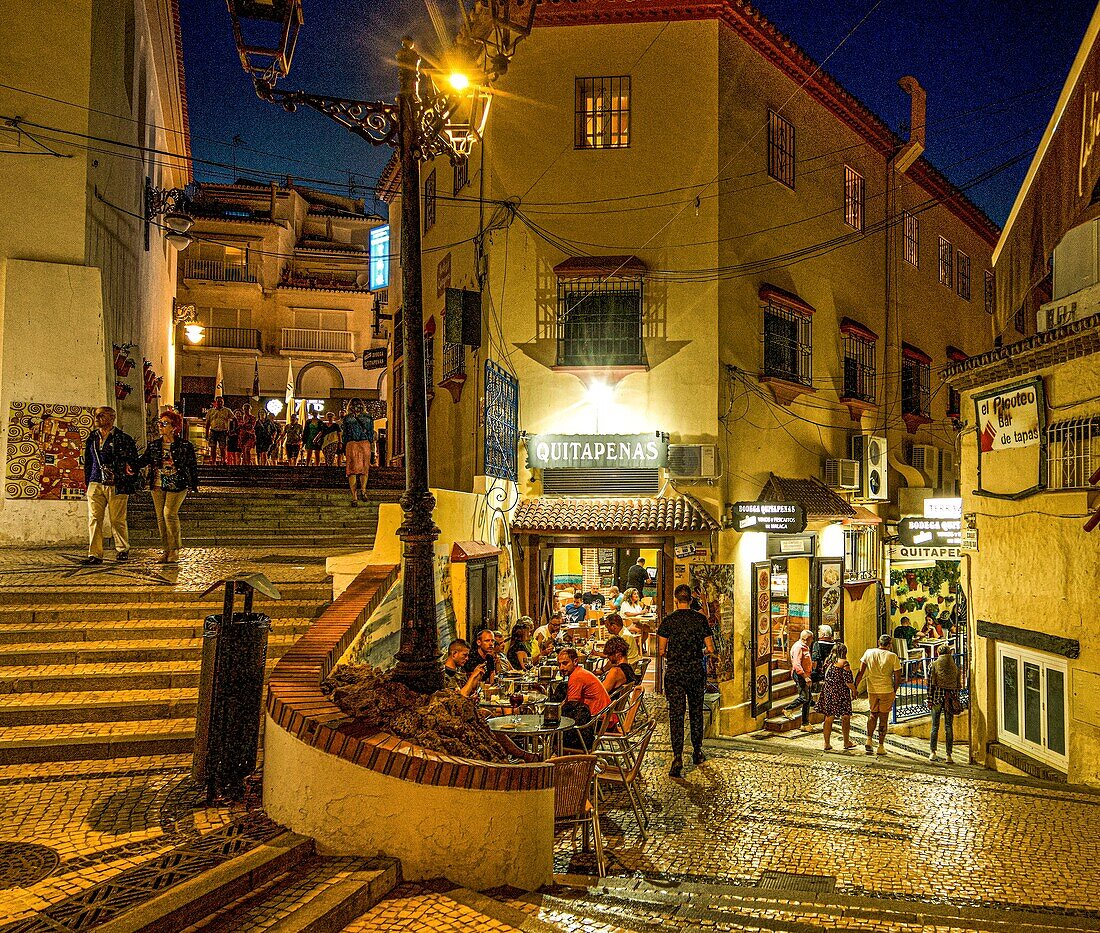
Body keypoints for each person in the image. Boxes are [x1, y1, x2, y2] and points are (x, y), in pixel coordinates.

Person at [658, 583, 715, 777]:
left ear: (676, 600)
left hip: (675, 672)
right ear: (690, 599)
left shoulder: (668, 621)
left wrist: (674, 654)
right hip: (695, 670)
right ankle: (697, 751)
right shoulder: (700, 620)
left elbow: (661, 650)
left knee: (676, 714)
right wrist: (698, 651)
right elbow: (710, 648)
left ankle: (677, 757)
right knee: (696, 711)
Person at [137, 410, 199, 564]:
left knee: (169, 514)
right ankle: (166, 550)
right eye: (160, 423)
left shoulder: (185, 446)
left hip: (177, 484)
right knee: (160, 518)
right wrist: (130, 465)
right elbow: (144, 460)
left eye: (165, 423)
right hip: (157, 484)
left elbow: (192, 466)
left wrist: (194, 484)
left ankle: (174, 549)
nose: (161, 426)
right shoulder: (154, 445)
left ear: (174, 427)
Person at [82, 406, 139, 564]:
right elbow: (88, 460)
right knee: (94, 519)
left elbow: (133, 462)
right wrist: (88, 481)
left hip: (116, 484)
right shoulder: (93, 437)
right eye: (96, 415)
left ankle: (122, 548)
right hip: (95, 482)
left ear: (112, 418)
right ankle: (94, 553)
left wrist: (123, 476)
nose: (97, 418)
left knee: (117, 519)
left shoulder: (123, 438)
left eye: (101, 415)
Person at [854, 633, 903, 756]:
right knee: (884, 718)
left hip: (872, 690)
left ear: (878, 642)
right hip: (886, 690)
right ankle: (880, 746)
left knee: (872, 714)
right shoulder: (893, 656)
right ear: (890, 645)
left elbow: (860, 672)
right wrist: (894, 690)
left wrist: (855, 687)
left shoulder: (869, 653)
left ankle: (869, 740)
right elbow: (898, 676)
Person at [816, 642, 857, 752]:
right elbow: (848, 681)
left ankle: (826, 743)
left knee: (829, 717)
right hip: (840, 693)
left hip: (828, 691)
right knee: (845, 717)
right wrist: (854, 690)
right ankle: (846, 742)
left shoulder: (828, 661)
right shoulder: (844, 663)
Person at [558, 646, 612, 729]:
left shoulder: (576, 677)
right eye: (559, 664)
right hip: (605, 716)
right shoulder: (579, 672)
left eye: (565, 663)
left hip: (597, 720)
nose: (561, 668)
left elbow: (571, 706)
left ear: (575, 661)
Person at [927, 643, 962, 763]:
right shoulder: (955, 667)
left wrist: (929, 699)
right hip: (950, 699)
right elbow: (958, 685)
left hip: (937, 698)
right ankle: (949, 755)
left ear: (938, 653)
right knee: (948, 726)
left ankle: (933, 752)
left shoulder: (934, 665)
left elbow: (930, 684)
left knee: (935, 726)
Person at [342, 399, 375, 506]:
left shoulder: (347, 418)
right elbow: (371, 433)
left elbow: (345, 434)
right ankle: (363, 491)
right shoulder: (368, 417)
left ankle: (354, 497)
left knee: (352, 471)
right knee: (364, 470)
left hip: (351, 443)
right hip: (364, 443)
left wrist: (344, 445)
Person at [783, 629, 815, 731]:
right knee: (804, 697)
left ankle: (805, 724)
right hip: (801, 675)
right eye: (811, 639)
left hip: (806, 674)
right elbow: (796, 664)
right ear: (806, 639)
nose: (812, 640)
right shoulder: (799, 647)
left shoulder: (805, 646)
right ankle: (788, 709)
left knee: (808, 699)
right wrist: (805, 677)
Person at [204, 398, 232, 465]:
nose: (220, 403)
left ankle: (223, 461)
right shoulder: (211, 411)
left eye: (221, 401)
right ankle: (213, 461)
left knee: (223, 447)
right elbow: (207, 423)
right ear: (215, 402)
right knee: (213, 447)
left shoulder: (227, 410)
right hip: (213, 430)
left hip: (223, 431)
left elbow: (233, 420)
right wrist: (206, 433)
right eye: (218, 401)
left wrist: (230, 430)